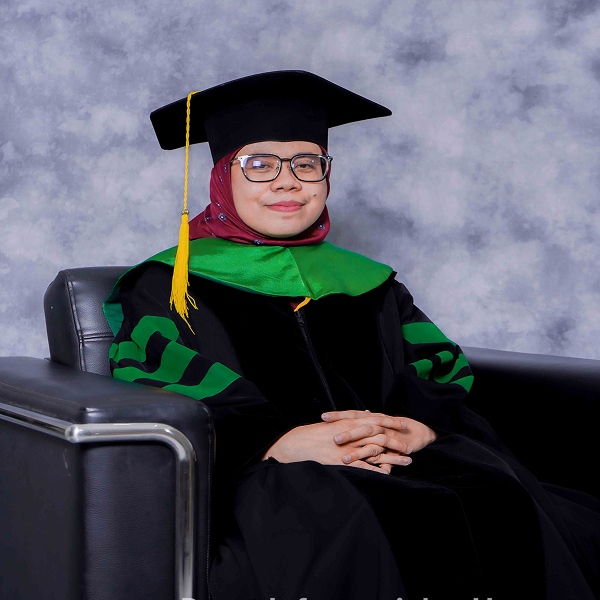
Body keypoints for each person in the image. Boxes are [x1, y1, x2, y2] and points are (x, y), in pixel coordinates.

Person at [103, 70, 600, 600]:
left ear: (326, 175)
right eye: (259, 164)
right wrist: (276, 442)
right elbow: (159, 385)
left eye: (307, 163)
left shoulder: (370, 283)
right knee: (359, 519)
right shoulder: (167, 285)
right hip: (267, 470)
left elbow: (436, 366)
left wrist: (414, 428)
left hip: (398, 455)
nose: (288, 181)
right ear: (222, 178)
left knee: (500, 497)